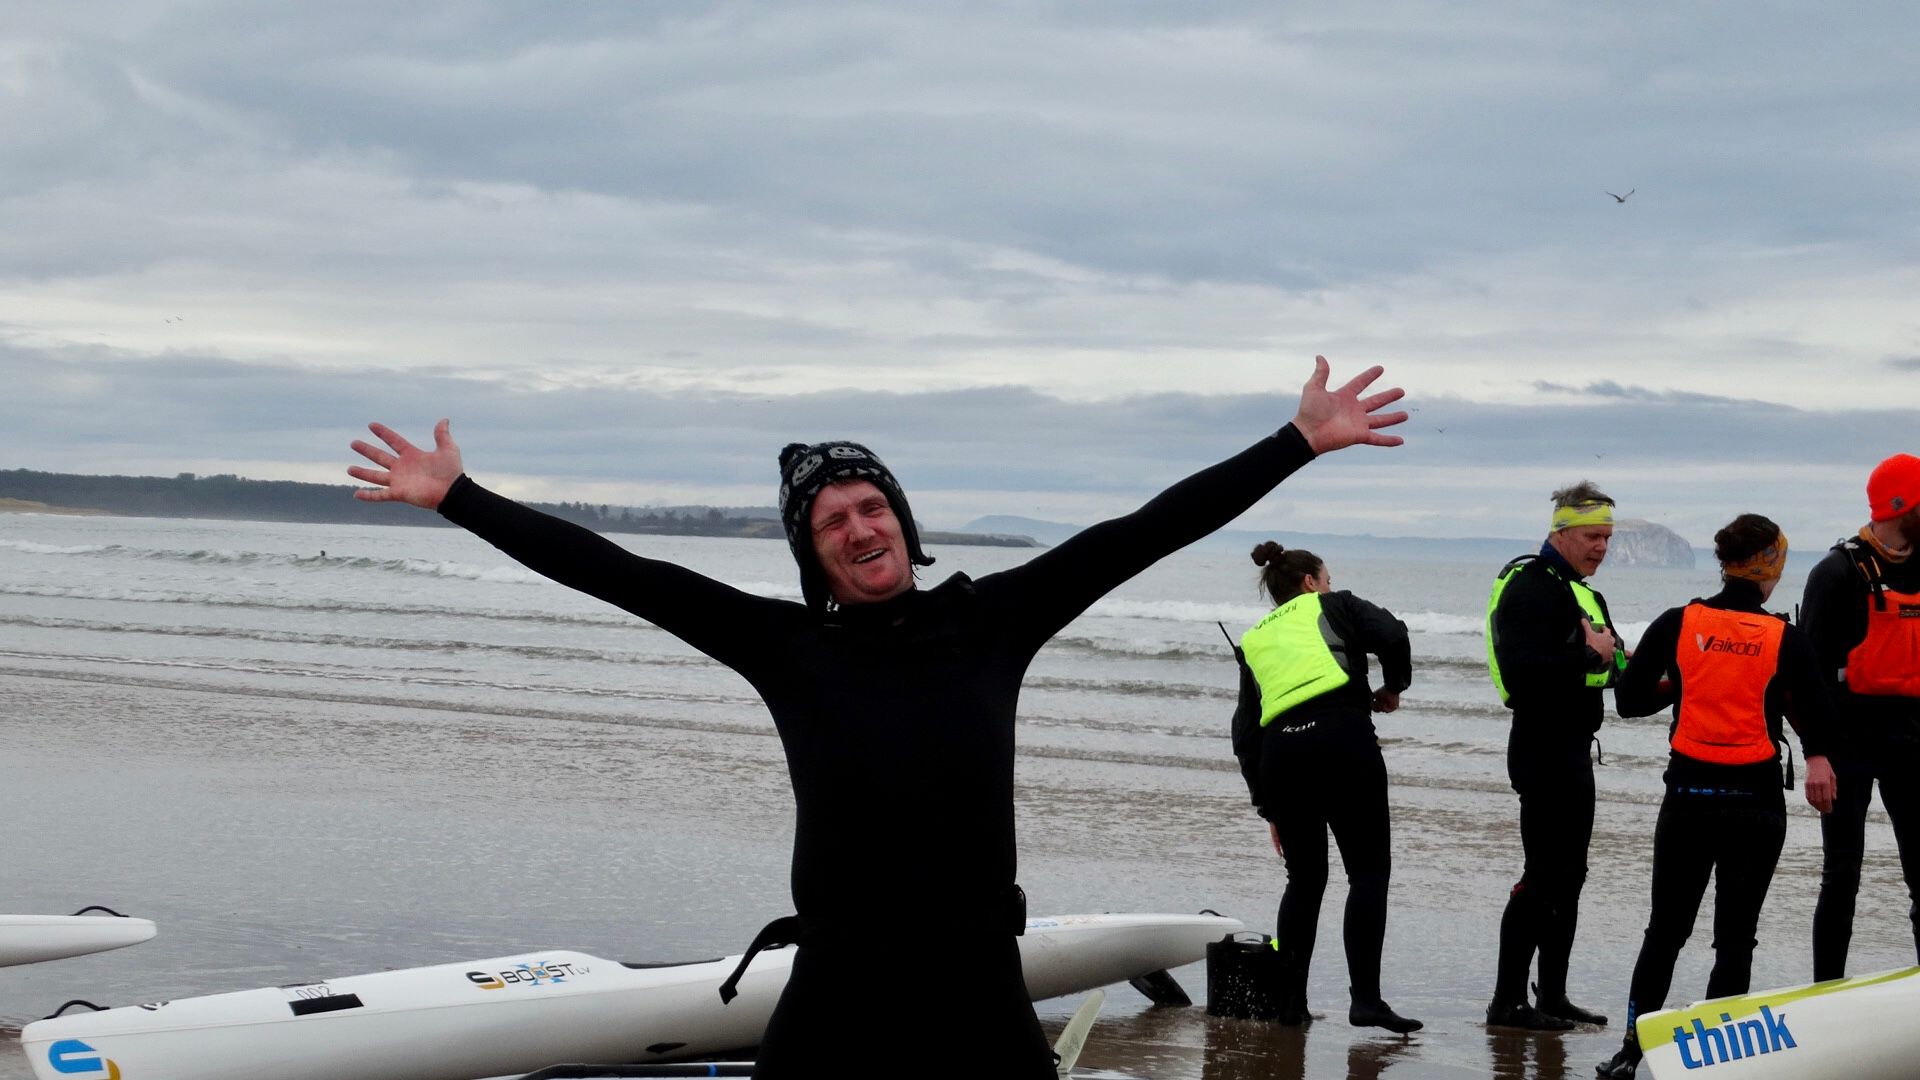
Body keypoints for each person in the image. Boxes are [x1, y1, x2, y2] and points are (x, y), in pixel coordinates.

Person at [347, 357, 1407, 1078]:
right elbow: (620, 572)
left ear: (901, 518)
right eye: (831, 522)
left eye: (871, 506)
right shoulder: (786, 646)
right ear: (813, 556)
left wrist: (1296, 441)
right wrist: (460, 497)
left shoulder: (992, 620)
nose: (859, 528)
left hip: (978, 987)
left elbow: (1146, 530)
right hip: (838, 990)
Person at [1594, 514, 1837, 1079]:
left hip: (1688, 799)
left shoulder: (1679, 622)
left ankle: (1631, 1052)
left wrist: (1686, 679)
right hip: (1754, 807)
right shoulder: (1784, 637)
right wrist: (1819, 760)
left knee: (1665, 933)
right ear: (1769, 567)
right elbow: (1821, 718)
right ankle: (1713, 1060)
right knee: (1735, 941)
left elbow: (1629, 701)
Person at [1229, 543, 1420, 1033]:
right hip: (1342, 740)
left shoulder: (1255, 639)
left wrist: (1268, 807)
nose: (1330, 585)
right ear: (1311, 583)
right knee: (1368, 873)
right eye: (1327, 578)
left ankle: (1290, 1005)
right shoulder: (1335, 604)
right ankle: (1366, 1001)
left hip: (1281, 756)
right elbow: (1394, 633)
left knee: (1304, 879)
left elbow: (1245, 733)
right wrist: (1393, 686)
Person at [1482, 481, 1627, 1031]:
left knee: (1571, 876)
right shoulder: (1530, 586)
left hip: (1574, 748)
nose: (1601, 547)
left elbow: (1612, 667)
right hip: (1540, 747)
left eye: (1607, 537)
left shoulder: (1582, 592)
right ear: (1561, 533)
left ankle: (1553, 995)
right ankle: (1506, 1002)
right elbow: (1522, 676)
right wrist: (1587, 654)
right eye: (1592, 536)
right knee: (1543, 876)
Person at [1803, 452, 1920, 981]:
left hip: (1912, 744)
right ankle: (1828, 989)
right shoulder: (1836, 573)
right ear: (1900, 506)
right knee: (1842, 874)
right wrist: (1816, 754)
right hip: (1846, 746)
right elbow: (1806, 679)